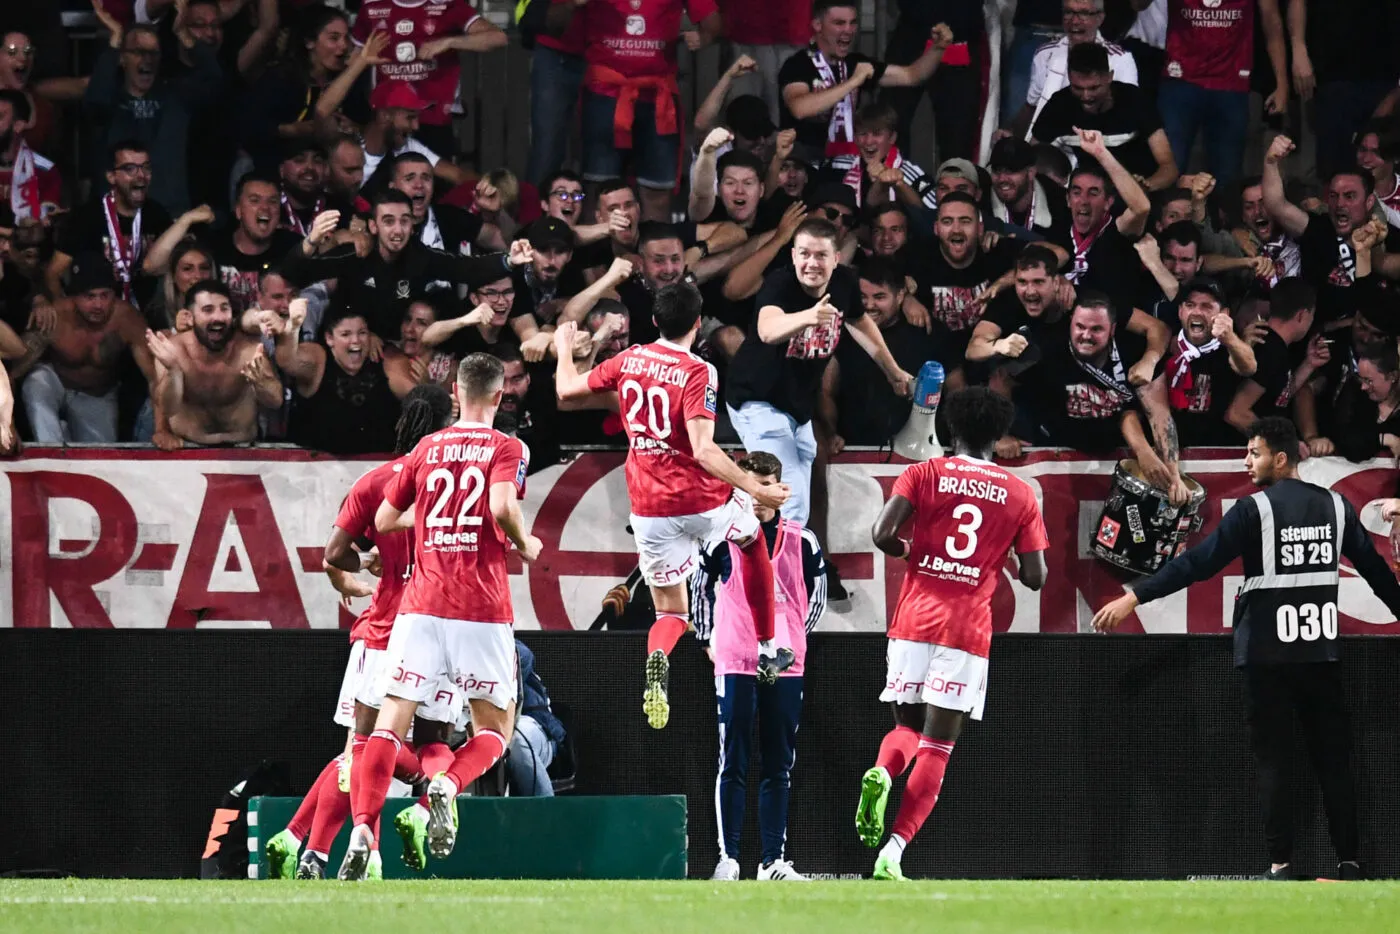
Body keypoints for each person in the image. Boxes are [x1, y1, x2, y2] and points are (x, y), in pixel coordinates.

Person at [1092, 417, 1400, 881]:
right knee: (1334, 762)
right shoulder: (1339, 507)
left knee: (1275, 760)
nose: (1245, 461)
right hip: (1321, 654)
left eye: (1253, 453)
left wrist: (1134, 594)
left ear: (1280, 458)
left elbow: (1198, 563)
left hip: (1266, 656)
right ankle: (1349, 863)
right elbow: (1379, 576)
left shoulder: (1254, 509)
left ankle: (1281, 865)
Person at [553, 284, 794, 730]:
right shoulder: (698, 370)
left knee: (672, 613)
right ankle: (765, 648)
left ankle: (659, 658)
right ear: (699, 323)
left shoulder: (631, 359)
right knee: (752, 538)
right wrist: (755, 490)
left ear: (654, 322)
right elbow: (704, 450)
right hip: (700, 498)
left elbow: (566, 391)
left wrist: (564, 349)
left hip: (648, 504)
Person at [340, 352, 541, 881]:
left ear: (455, 392)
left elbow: (384, 518)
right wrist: (526, 541)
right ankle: (448, 785)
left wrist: (430, 516)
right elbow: (501, 507)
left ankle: (364, 830)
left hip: (420, 607)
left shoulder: (427, 447)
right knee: (495, 728)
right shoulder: (507, 446)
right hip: (480, 607)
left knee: (388, 724)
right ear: (499, 397)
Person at [263, 383, 458, 881]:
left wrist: (368, 562)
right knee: (432, 739)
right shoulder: (456, 483)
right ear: (448, 420)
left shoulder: (376, 483)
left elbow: (333, 555)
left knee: (362, 747)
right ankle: (431, 793)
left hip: (382, 630)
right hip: (440, 629)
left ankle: (313, 845)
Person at [860, 387, 1048, 881]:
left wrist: (915, 556)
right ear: (998, 434)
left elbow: (881, 535)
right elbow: (1036, 576)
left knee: (905, 729)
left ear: (952, 430)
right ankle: (893, 852)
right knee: (938, 747)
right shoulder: (1020, 493)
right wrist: (998, 554)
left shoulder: (923, 473)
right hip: (966, 629)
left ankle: (883, 770)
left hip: (913, 620)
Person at [726, 217, 913, 527]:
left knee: (799, 503)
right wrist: (808, 317)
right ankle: (767, 569)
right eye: (804, 254)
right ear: (793, 256)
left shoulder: (843, 283)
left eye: (821, 255)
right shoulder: (780, 284)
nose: (811, 263)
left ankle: (794, 570)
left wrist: (892, 370)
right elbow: (767, 330)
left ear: (836, 258)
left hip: (797, 407)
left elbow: (859, 322)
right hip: (756, 401)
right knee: (788, 498)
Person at [694, 451, 827, 882]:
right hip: (735, 657)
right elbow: (700, 589)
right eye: (749, 484)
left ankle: (772, 861)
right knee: (732, 758)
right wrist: (708, 638)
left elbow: (816, 599)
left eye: (765, 485)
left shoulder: (802, 540)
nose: (756, 495)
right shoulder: (722, 537)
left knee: (778, 762)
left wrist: (792, 638)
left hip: (784, 663)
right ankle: (728, 858)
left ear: (780, 489)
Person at [280, 193, 532, 340]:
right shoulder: (356, 254)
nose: (398, 230)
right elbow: (293, 274)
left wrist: (508, 260)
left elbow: (465, 268)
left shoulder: (420, 256)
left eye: (404, 221)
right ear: (374, 227)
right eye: (388, 221)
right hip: (352, 343)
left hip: (400, 347)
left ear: (413, 226)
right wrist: (312, 240)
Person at [1018, 292, 1188, 502]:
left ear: (1113, 330)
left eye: (1097, 329)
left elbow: (1160, 415)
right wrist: (1004, 435)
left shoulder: (1133, 352)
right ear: (1071, 323)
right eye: (1080, 327)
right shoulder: (1048, 352)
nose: (1086, 335)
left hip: (1119, 459)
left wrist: (1173, 475)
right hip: (1058, 458)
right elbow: (1005, 382)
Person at [580, 0, 722, 222]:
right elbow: (556, 20)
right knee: (600, 189)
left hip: (657, 99)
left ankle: (655, 252)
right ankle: (598, 255)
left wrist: (705, 37)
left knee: (656, 191)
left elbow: (713, 21)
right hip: (605, 95)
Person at [778, 2, 952, 167]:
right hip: (806, 165)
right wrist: (853, 81)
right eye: (839, 23)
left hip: (848, 164)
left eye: (853, 23)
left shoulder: (855, 63)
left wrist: (938, 49)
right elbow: (799, 108)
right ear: (817, 25)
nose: (848, 30)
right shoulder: (798, 64)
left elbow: (912, 75)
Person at [83, 16, 220, 214]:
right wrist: (114, 43)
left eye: (153, 52)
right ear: (123, 58)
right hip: (118, 218)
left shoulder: (176, 95)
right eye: (139, 51)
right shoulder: (109, 99)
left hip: (169, 215)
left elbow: (215, 80)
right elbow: (94, 102)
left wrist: (183, 32)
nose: (147, 58)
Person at [21, 258, 161, 444]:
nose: (98, 305)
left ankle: (66, 435)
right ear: (74, 297)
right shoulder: (56, 315)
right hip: (56, 381)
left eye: (105, 295)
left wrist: (162, 429)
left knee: (99, 456)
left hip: (97, 394)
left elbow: (155, 377)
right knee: (35, 382)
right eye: (90, 296)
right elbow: (15, 369)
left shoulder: (128, 319)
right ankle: (51, 449)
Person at [820, 258, 949, 451]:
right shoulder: (841, 333)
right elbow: (825, 392)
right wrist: (829, 434)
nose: (869, 305)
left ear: (900, 296)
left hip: (920, 452)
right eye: (862, 296)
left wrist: (956, 435)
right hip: (852, 451)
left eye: (879, 297)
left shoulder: (928, 333)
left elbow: (956, 389)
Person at [1157, 0, 1288, 190]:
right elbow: (1139, 5)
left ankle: (1222, 219)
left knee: (1227, 178)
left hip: (1231, 84)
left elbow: (1271, 21)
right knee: (1170, 169)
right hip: (1180, 80)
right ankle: (1169, 219)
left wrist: (1282, 83)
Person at [351, 0, 506, 157]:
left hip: (434, 116)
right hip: (388, 119)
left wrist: (449, 42)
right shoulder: (372, 6)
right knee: (386, 177)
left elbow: (498, 37)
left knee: (433, 176)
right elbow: (353, 61)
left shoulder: (446, 5)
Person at [1260, 135, 1385, 326]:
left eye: (1350, 196)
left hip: (1370, 342)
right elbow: (1277, 205)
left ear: (1369, 202)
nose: (1340, 204)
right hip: (1318, 342)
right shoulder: (1318, 228)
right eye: (1334, 196)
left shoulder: (1386, 236)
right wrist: (1271, 162)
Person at [143, 279, 282, 446]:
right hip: (187, 446)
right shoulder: (174, 350)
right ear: (189, 317)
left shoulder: (249, 349)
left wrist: (264, 384)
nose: (218, 317)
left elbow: (276, 401)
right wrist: (172, 371)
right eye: (207, 310)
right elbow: (168, 408)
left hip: (243, 447)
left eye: (224, 309)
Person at [1029, 42, 1177, 192]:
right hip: (1091, 195)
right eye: (1078, 88)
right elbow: (1030, 158)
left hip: (1139, 191)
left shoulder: (1135, 100)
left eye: (1094, 88)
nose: (1086, 96)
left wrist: (1143, 188)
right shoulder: (1059, 104)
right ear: (1069, 78)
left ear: (1109, 77)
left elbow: (1169, 168)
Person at [273, 300, 415, 455]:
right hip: (314, 472)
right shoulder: (318, 358)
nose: (355, 341)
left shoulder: (387, 360)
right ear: (329, 338)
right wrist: (293, 327)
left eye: (362, 333)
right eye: (346, 334)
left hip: (378, 471)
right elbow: (287, 360)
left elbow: (422, 400)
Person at [48, 140, 171, 310]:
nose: (141, 175)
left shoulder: (157, 214)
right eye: (130, 169)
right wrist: (68, 314)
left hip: (145, 313)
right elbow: (53, 273)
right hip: (95, 315)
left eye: (146, 167)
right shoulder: (87, 216)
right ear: (111, 176)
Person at [1002, 0, 1138, 142]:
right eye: (1069, 12)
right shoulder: (1045, 54)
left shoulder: (1120, 59)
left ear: (1100, 18)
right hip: (1047, 149)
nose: (1074, 20)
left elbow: (1127, 116)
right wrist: (1012, 137)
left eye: (1084, 13)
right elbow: (1031, 107)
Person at [1224, 277, 1329, 441]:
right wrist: (1280, 442)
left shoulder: (1276, 345)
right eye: (1312, 316)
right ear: (1302, 315)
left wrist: (1309, 364)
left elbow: (1277, 394)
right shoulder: (1268, 349)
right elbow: (1236, 413)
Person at [1165, 276, 1257, 446]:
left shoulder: (1229, 348)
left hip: (1215, 454)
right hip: (1167, 451)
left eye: (1207, 306)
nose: (1197, 312)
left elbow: (1248, 368)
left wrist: (1230, 339)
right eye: (1190, 305)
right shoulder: (1164, 344)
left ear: (1224, 314)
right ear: (1180, 311)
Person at [506, 640, 567, 798]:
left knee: (517, 739)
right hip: (467, 731)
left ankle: (545, 818)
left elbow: (523, 656)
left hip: (532, 727)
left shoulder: (508, 647)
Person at [987, 137, 1071, 239]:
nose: (1002, 178)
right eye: (997, 170)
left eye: (1011, 170)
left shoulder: (1061, 207)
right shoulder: (982, 202)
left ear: (1031, 172)